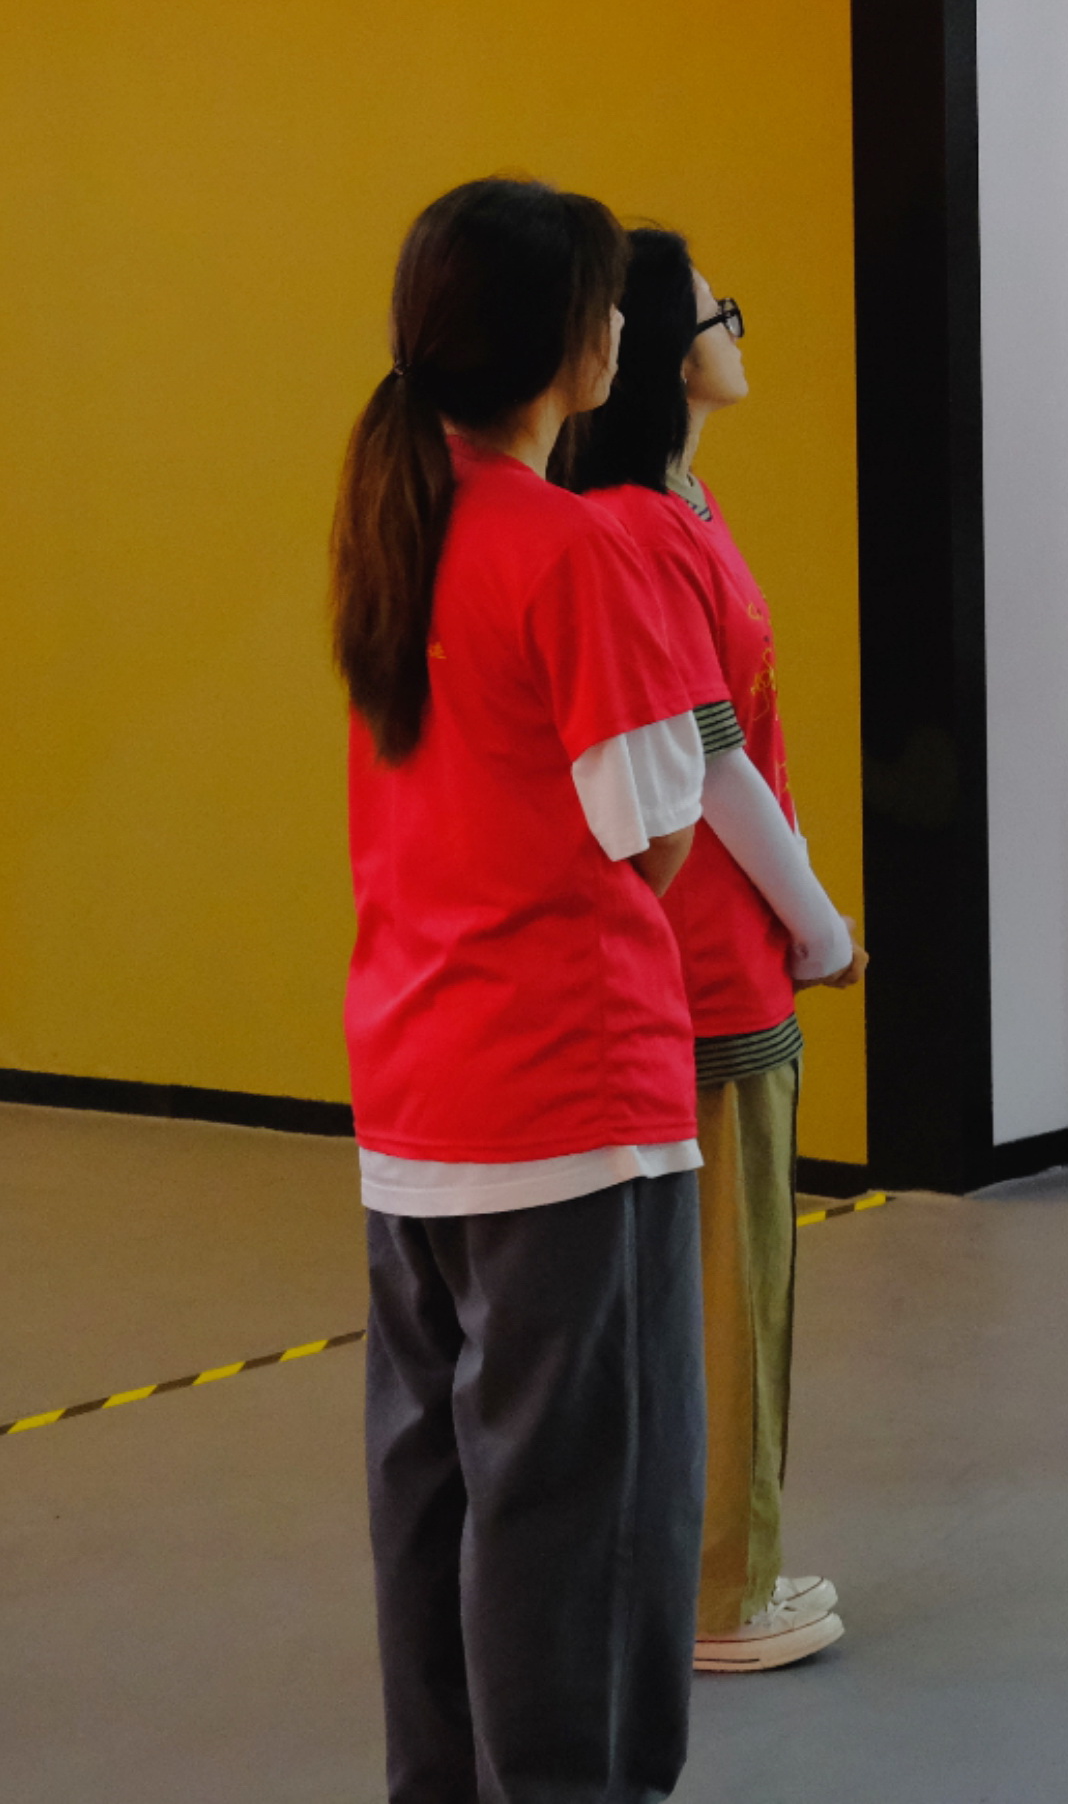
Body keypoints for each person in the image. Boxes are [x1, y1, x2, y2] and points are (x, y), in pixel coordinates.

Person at [331, 177, 724, 1803]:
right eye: (604, 301)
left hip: (418, 1087)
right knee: (585, 1507)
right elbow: (656, 828)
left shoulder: (395, 516)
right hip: (571, 1096)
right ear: (563, 340)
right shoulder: (568, 545)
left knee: (436, 1486)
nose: (625, 326)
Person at [569, 228, 864, 1674]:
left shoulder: (690, 504)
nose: (735, 334)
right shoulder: (632, 523)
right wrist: (820, 920)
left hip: (742, 932)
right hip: (708, 953)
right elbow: (714, 758)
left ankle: (700, 1570)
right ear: (662, 352)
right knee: (728, 1291)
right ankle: (722, 1592)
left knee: (725, 1282)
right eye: (717, 314)